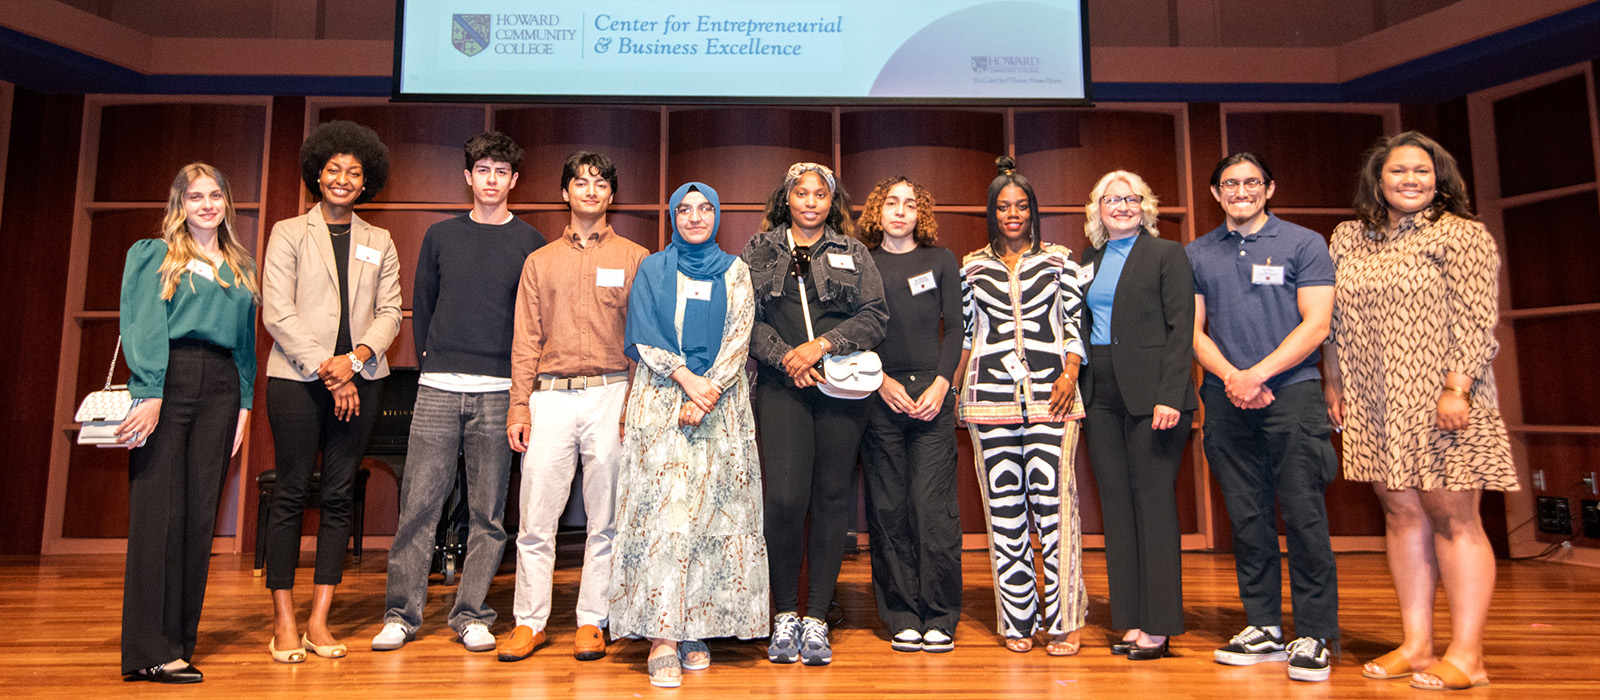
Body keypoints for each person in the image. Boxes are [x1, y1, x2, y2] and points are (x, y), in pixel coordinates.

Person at [1324, 131, 1516, 691]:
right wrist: (1332, 382)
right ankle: (1417, 644)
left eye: (1422, 171)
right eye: (1398, 171)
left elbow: (1478, 318)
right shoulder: (1349, 237)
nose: (1411, 180)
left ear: (1441, 179)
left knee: (1454, 520)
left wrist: (1457, 388)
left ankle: (1469, 654)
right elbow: (1332, 319)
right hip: (1372, 398)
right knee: (1400, 515)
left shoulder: (1461, 235)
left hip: (1442, 398)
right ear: (1377, 181)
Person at [372, 132, 544, 653]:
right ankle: (401, 614)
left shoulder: (531, 242)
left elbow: (533, 322)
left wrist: (520, 390)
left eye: (501, 172)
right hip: (439, 389)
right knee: (419, 507)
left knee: (489, 514)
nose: (491, 180)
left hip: (500, 393)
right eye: (482, 171)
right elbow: (421, 309)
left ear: (514, 181)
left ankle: (472, 614)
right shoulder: (439, 235)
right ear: (468, 178)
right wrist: (433, 365)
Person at [609, 182, 769, 688]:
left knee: (709, 516)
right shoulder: (654, 269)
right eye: (685, 209)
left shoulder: (736, 271)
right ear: (673, 216)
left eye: (704, 210)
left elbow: (740, 336)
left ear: (716, 216)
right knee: (664, 516)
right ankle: (661, 635)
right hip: (660, 401)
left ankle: (695, 624)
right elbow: (642, 333)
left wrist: (709, 391)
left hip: (721, 410)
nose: (695, 217)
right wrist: (686, 380)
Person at [1188, 153, 1340, 681]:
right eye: (1230, 184)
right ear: (1215, 194)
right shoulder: (1196, 253)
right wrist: (1234, 377)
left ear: (1269, 188)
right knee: (1248, 519)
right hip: (1227, 399)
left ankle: (1315, 633)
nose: (1241, 191)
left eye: (1252, 182)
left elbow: (1317, 323)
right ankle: (1264, 626)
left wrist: (1258, 375)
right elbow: (1192, 330)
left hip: (1293, 396)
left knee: (1303, 516)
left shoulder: (1304, 243)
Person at [499, 151, 648, 663]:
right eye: (580, 182)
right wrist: (520, 407)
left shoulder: (636, 258)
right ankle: (529, 622)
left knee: (605, 519)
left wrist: (633, 405)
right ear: (565, 192)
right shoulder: (539, 261)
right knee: (536, 518)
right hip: (551, 398)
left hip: (612, 394)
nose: (590, 190)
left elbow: (645, 342)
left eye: (600, 182)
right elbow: (525, 340)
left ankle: (592, 620)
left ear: (612, 194)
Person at [260, 121, 401, 663]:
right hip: (297, 381)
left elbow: (391, 312)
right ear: (317, 174)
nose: (343, 179)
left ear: (367, 183)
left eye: (355, 172)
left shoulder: (379, 240)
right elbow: (278, 310)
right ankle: (284, 620)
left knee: (340, 495)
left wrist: (355, 361)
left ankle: (320, 619)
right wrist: (328, 367)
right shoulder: (288, 231)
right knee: (293, 493)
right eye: (334, 169)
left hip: (362, 380)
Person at [741, 162, 887, 666]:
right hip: (784, 386)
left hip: (841, 388)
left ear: (832, 202)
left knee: (831, 498)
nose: (810, 202)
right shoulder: (758, 251)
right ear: (786, 199)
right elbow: (744, 321)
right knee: (783, 499)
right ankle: (785, 613)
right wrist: (788, 356)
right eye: (800, 193)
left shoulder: (854, 251)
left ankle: (817, 617)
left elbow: (875, 316)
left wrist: (822, 346)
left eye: (819, 195)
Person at [117, 163, 258, 683]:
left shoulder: (240, 264)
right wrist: (149, 390)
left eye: (215, 195)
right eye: (195, 196)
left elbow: (245, 341)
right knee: (159, 516)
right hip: (169, 379)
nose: (206, 204)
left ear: (226, 203)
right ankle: (148, 649)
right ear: (180, 203)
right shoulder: (154, 254)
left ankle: (178, 642)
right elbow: (142, 323)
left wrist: (244, 402)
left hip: (221, 388)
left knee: (199, 517)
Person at [957, 158, 1087, 656]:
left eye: (1022, 205)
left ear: (1034, 211)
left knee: (1055, 511)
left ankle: (1065, 619)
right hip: (988, 401)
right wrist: (957, 391)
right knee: (1005, 515)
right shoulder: (972, 265)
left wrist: (1070, 373)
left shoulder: (1059, 259)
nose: (1013, 214)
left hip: (1054, 398)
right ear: (992, 212)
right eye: (1003, 206)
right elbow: (968, 334)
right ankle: (1016, 619)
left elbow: (1075, 324)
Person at [1078, 169, 1196, 661]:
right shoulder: (1090, 258)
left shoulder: (1167, 254)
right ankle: (1128, 618)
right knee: (1117, 509)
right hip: (1100, 392)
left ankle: (1160, 624)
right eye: (1112, 199)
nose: (1122, 206)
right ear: (1097, 209)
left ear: (1145, 205)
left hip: (1155, 397)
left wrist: (1170, 395)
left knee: (1152, 505)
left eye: (1131, 198)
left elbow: (1181, 328)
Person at [856, 176, 963, 654]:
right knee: (887, 510)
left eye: (910, 204)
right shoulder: (863, 263)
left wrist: (943, 384)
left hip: (933, 397)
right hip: (880, 395)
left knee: (933, 510)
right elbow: (850, 332)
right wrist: (881, 381)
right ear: (878, 211)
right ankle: (900, 613)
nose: (901, 211)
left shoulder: (940, 260)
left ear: (921, 213)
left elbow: (957, 328)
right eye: (892, 203)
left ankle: (940, 615)